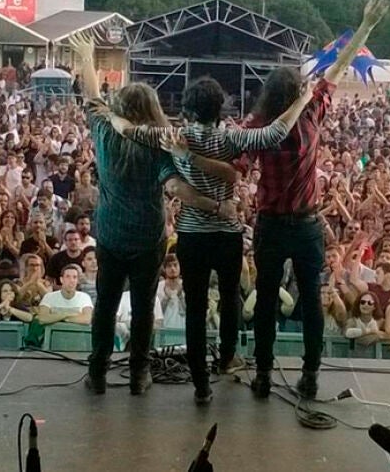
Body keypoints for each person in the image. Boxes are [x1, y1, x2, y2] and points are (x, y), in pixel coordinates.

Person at [110, 72, 315, 404]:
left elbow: (129, 130)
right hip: (226, 233)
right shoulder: (232, 139)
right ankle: (227, 358)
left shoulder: (174, 136)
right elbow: (277, 131)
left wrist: (111, 116)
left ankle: (201, 385)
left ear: (188, 109)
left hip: (192, 234)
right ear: (220, 107)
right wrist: (303, 100)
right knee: (231, 298)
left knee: (196, 307)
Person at [70, 29, 235, 396]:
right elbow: (175, 188)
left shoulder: (104, 131)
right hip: (148, 237)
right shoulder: (159, 144)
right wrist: (216, 206)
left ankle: (97, 371)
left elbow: (92, 97)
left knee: (106, 303)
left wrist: (86, 56)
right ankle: (139, 373)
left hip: (110, 234)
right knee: (143, 305)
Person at [245, 0, 389, 400]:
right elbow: (338, 66)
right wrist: (366, 26)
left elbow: (236, 160)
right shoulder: (311, 114)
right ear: (297, 92)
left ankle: (262, 374)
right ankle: (310, 374)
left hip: (271, 225)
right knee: (311, 300)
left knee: (267, 300)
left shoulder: (257, 125)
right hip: (307, 224)